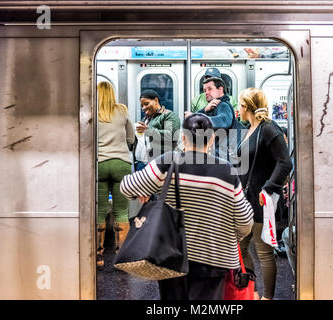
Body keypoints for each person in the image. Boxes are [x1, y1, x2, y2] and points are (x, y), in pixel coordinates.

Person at [120, 114, 254, 300]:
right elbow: (245, 221)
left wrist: (146, 189)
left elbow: (127, 187)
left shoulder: (170, 161)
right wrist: (231, 238)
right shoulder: (227, 171)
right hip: (215, 258)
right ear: (212, 139)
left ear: (183, 137)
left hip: (171, 254)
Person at [236, 87, 293, 300]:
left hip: (262, 199)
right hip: (247, 199)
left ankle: (267, 297)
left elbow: (285, 162)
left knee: (263, 251)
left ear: (248, 107)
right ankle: (254, 291)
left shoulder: (269, 128)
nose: (237, 109)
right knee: (240, 247)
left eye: (240, 105)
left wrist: (268, 187)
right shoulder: (251, 128)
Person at [97, 81, 135, 269]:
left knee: (100, 211)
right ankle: (122, 258)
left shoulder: (91, 111)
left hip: (99, 164)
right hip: (121, 163)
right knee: (121, 211)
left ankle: (98, 256)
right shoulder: (122, 110)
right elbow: (131, 138)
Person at [185, 77, 235, 161]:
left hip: (222, 155)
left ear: (220, 89)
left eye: (210, 89)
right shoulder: (213, 106)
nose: (206, 93)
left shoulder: (223, 105)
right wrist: (205, 110)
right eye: (205, 90)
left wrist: (196, 118)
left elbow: (224, 121)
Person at [134, 89, 181, 171]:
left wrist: (148, 130)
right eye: (142, 106)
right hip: (144, 162)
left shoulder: (168, 116)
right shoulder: (146, 119)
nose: (144, 108)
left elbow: (171, 135)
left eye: (146, 104)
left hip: (162, 163)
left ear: (156, 100)